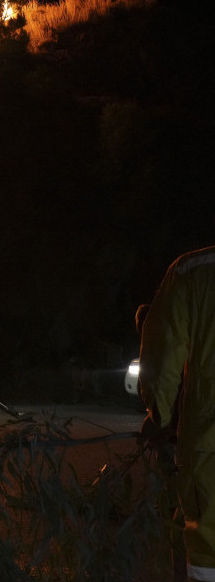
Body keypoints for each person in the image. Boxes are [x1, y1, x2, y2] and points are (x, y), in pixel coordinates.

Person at [139, 246, 215, 581]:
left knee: (208, 548)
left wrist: (159, 416)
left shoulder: (193, 270)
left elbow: (162, 352)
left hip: (209, 440)